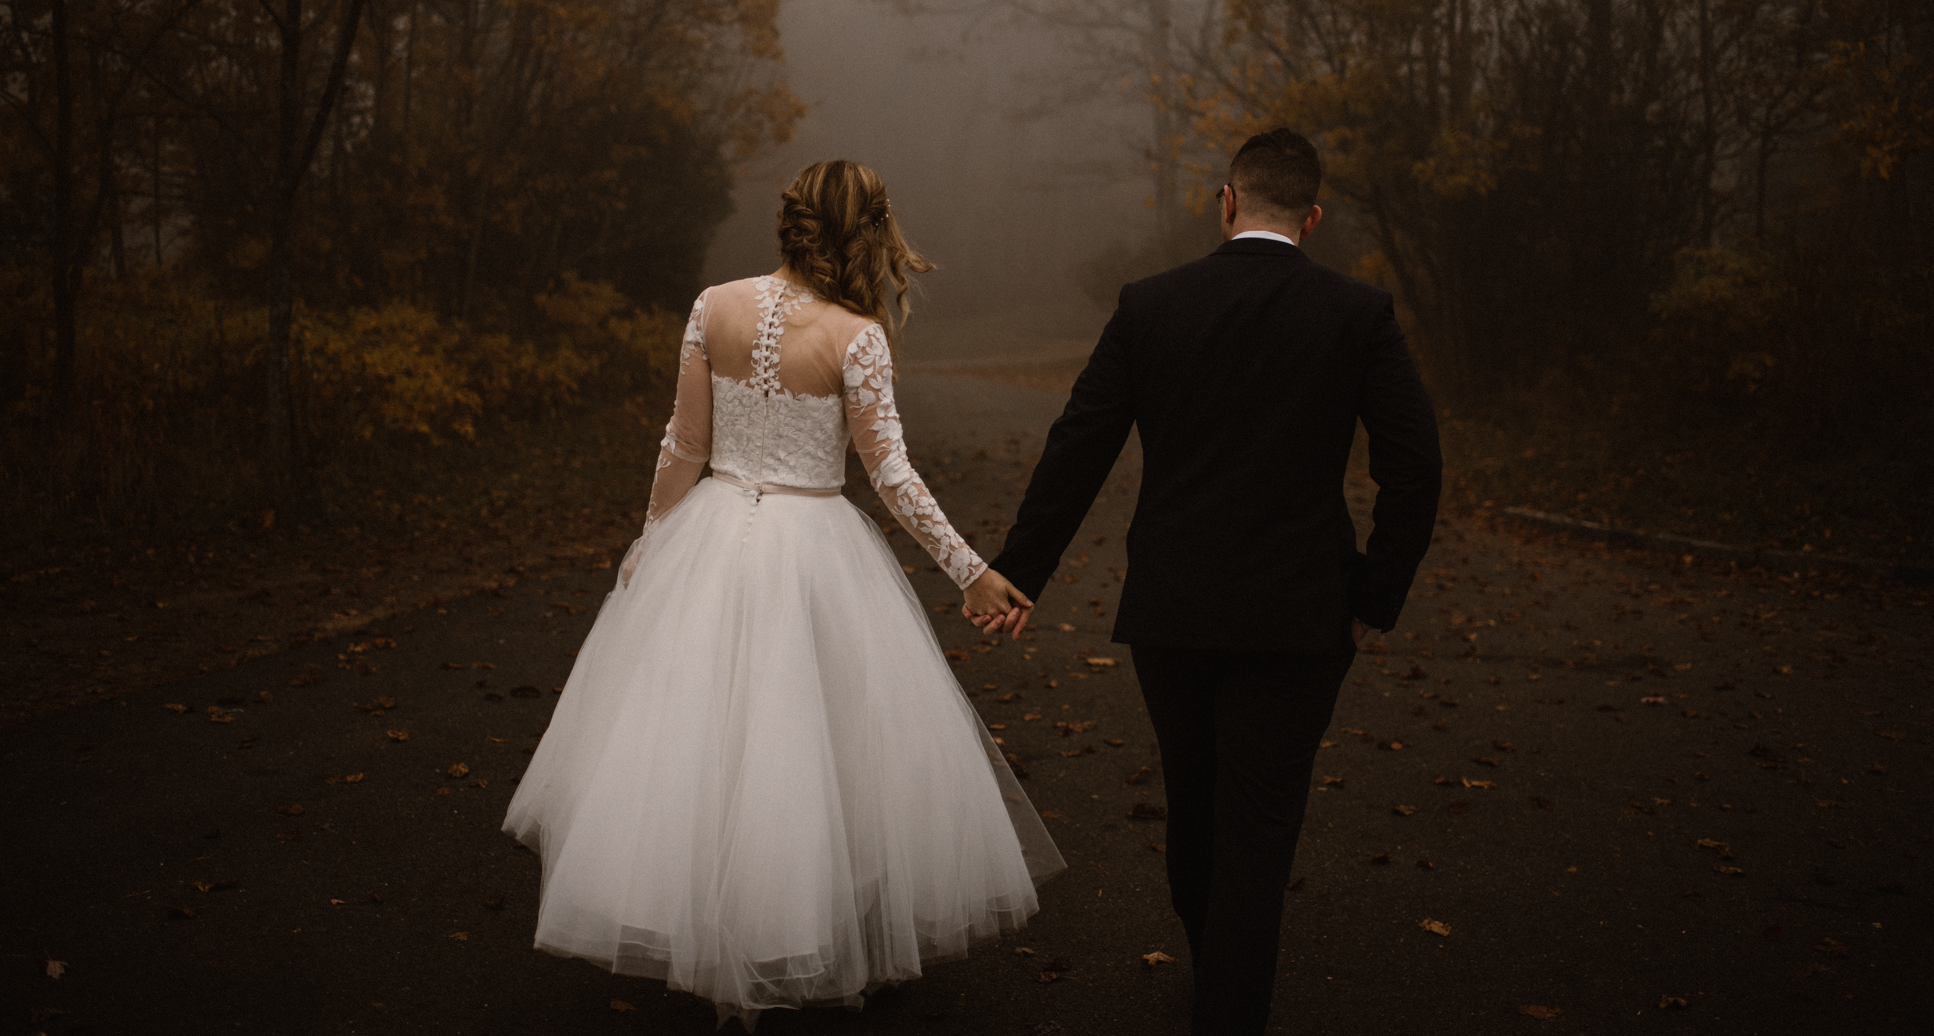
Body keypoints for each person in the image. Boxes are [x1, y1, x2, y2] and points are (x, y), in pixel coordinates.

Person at [504, 160, 1061, 1030]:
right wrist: (970, 567)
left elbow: (682, 446)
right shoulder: (857, 335)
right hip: (814, 545)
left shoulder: (712, 304)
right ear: (869, 231)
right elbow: (892, 477)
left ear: (792, 221)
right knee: (824, 752)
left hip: (713, 533)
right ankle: (797, 929)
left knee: (703, 745)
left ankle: (721, 928)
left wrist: (654, 541)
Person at [985, 128, 1442, 1034]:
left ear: (1226, 202)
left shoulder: (1152, 306)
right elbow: (1416, 469)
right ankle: (1230, 1003)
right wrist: (1370, 602)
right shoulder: (1358, 315)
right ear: (1311, 217)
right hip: (1303, 617)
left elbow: (1081, 443)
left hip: (1174, 612)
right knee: (1260, 827)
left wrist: (1019, 570)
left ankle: (1218, 981)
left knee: (1197, 805)